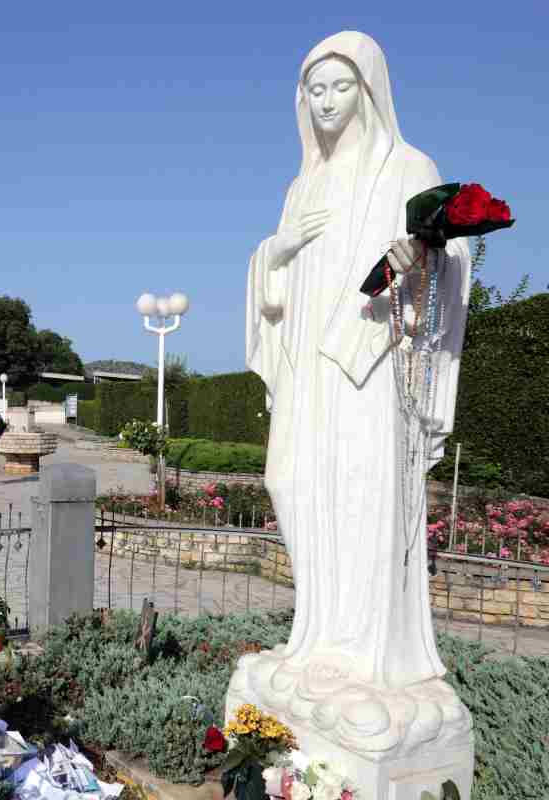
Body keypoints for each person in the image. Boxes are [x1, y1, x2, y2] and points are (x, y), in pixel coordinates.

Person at [237, 31, 471, 709]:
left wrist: (420, 260)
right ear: (300, 100)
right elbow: (274, 285)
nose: (328, 101)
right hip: (309, 365)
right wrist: (273, 252)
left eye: (342, 87)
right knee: (289, 481)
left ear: (368, 91)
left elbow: (447, 263)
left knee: (363, 496)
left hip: (371, 368)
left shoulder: (407, 167)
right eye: (316, 90)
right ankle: (316, 634)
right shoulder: (300, 183)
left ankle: (364, 655)